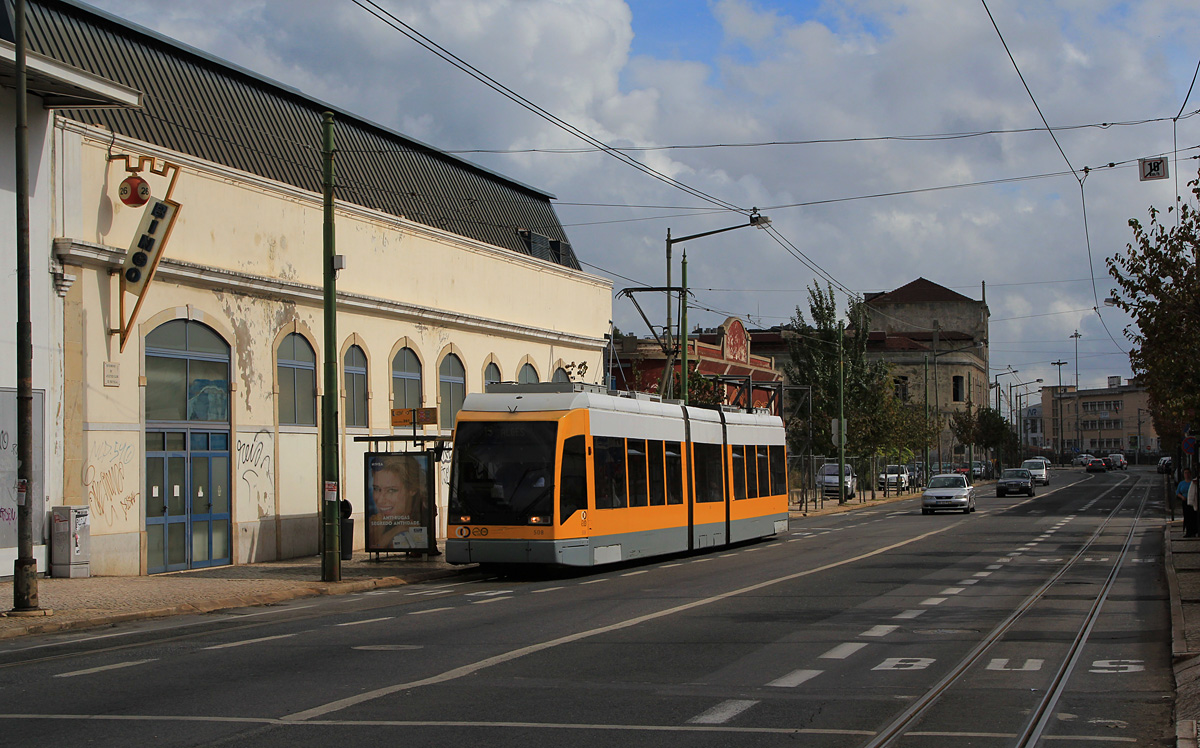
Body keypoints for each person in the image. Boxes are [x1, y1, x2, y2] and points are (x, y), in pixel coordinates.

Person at [368, 455, 430, 551]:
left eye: (391, 490)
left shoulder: (421, 522)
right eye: (377, 489)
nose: (380, 500)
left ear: (412, 489)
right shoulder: (374, 525)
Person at [1178, 468, 1195, 537]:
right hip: (1185, 501)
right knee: (1186, 517)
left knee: (1193, 516)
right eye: (1185, 473)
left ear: (1190, 474)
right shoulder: (1182, 483)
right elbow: (1178, 492)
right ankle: (1188, 531)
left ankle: (1193, 531)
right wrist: (1182, 497)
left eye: (1188, 473)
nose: (1187, 474)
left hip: (1192, 501)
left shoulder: (1193, 482)